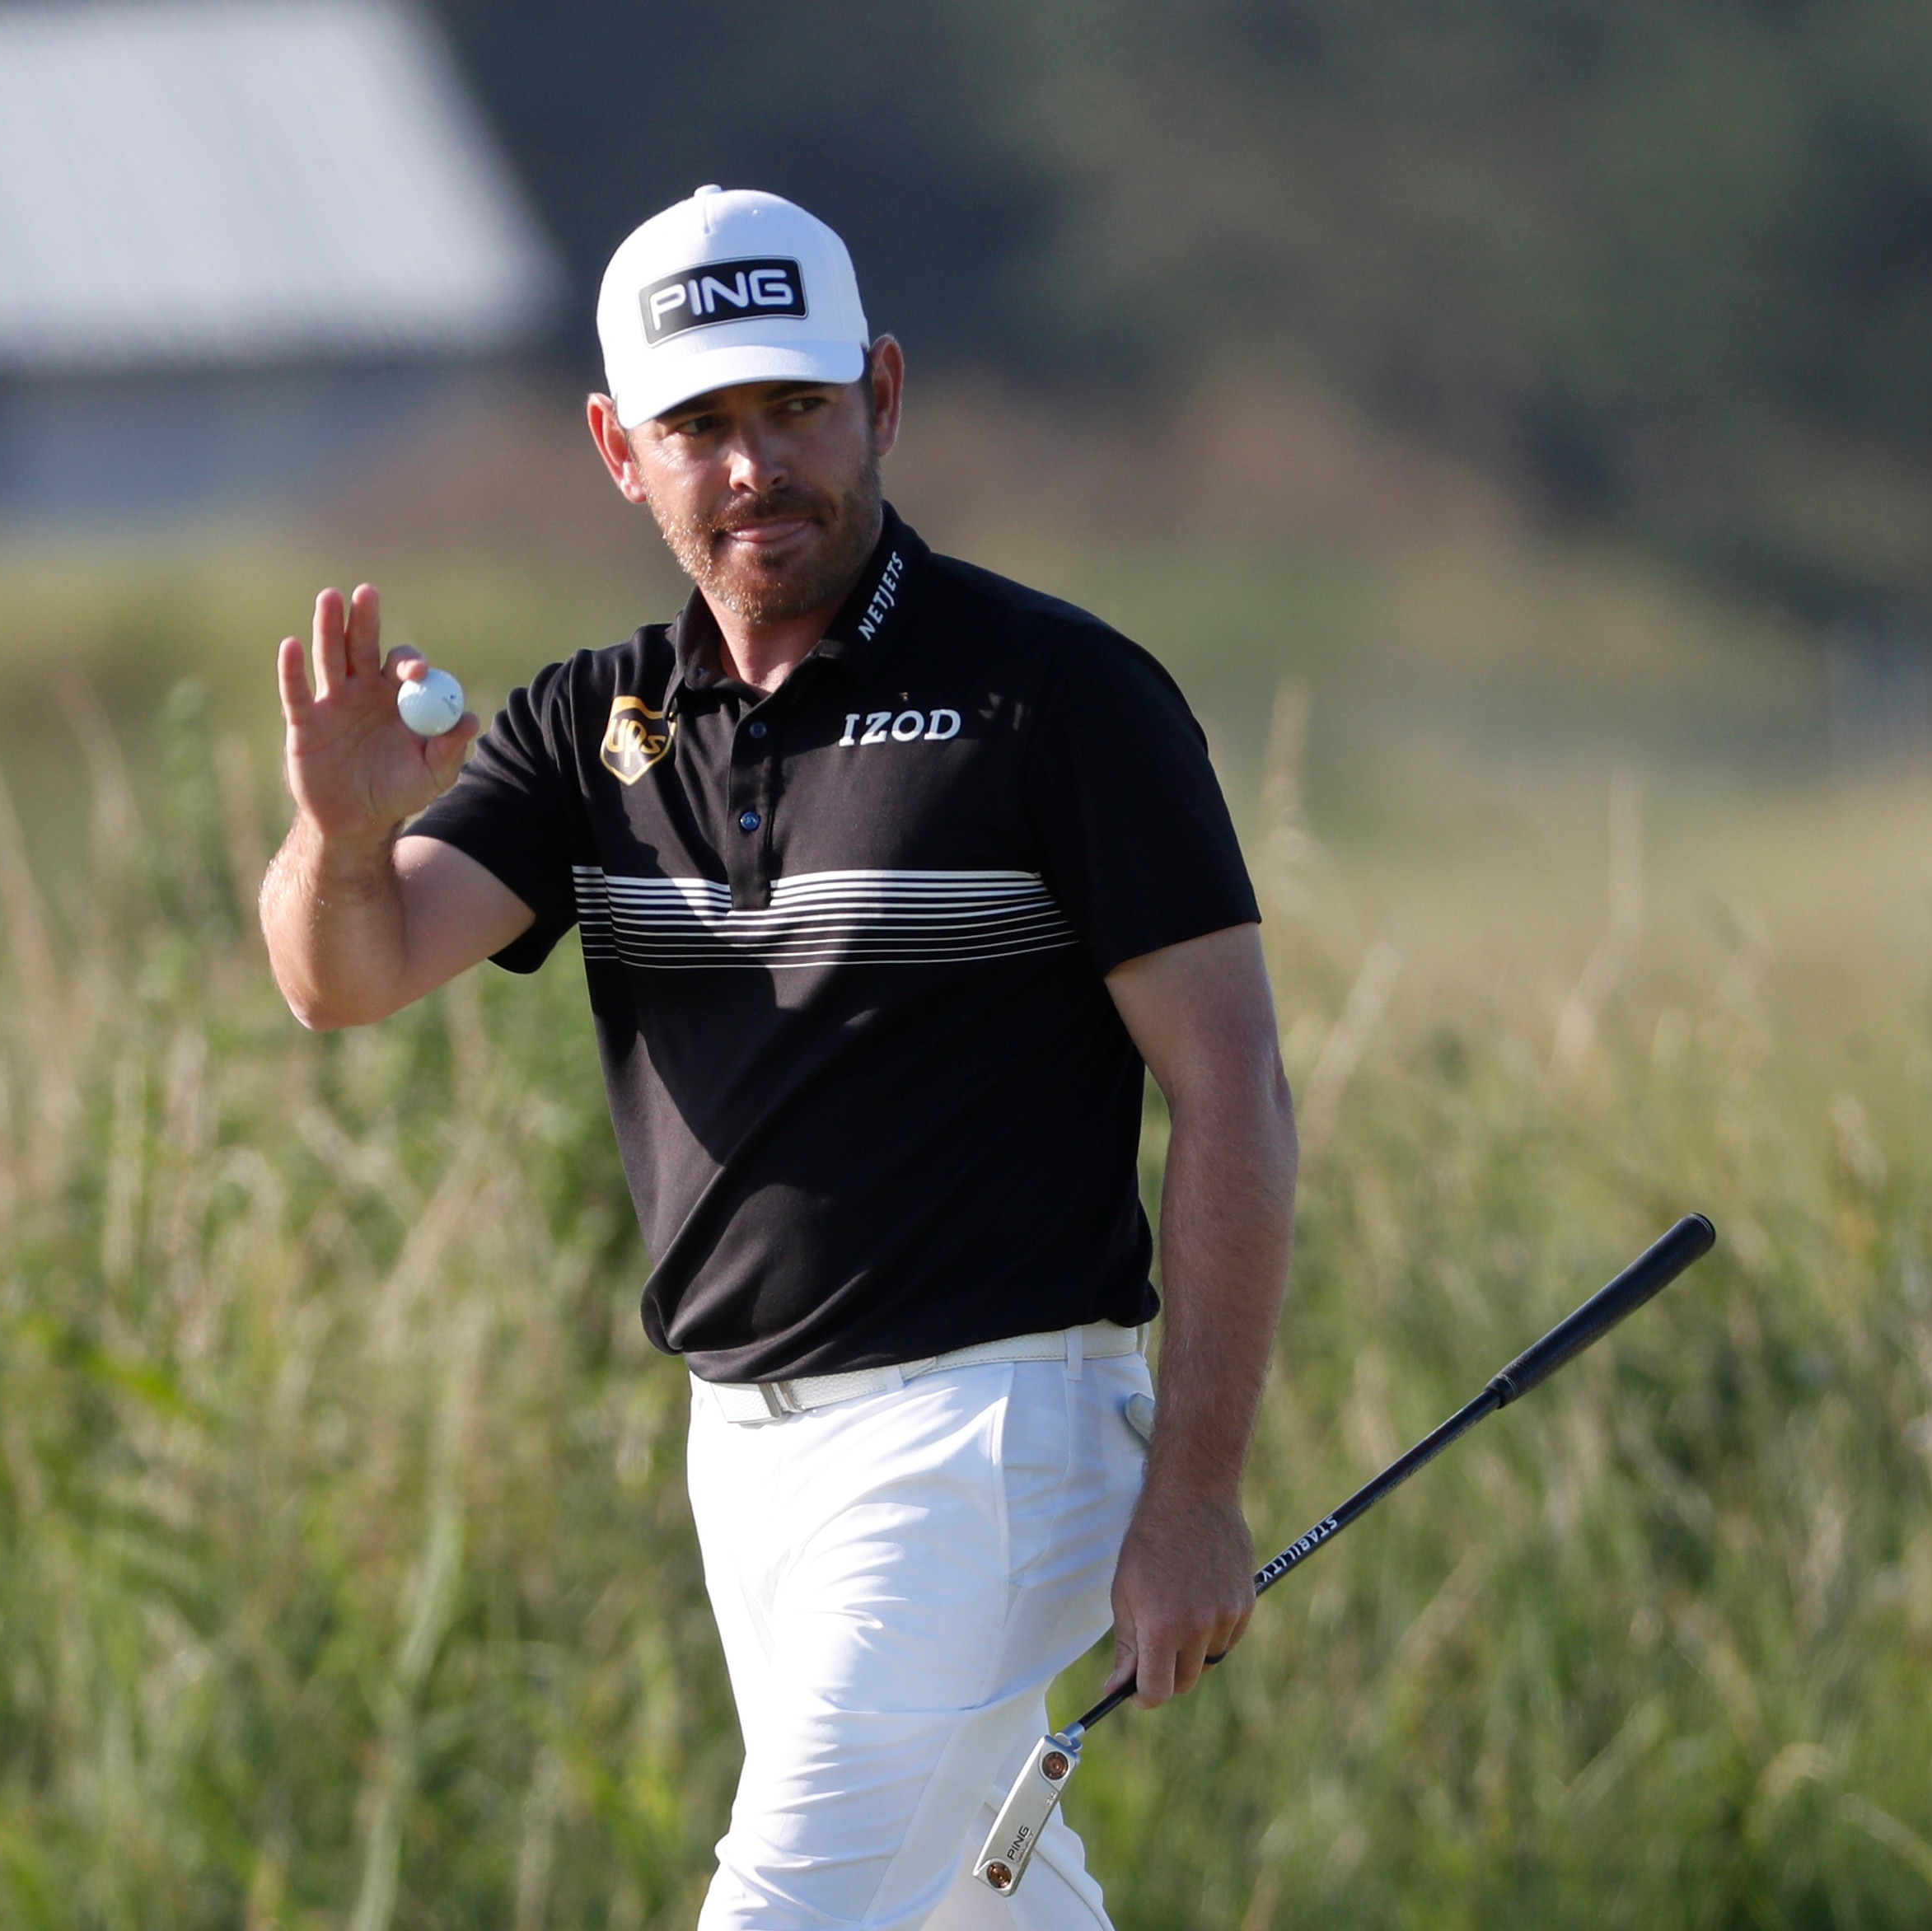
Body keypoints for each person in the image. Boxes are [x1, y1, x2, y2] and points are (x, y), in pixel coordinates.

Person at [259, 185, 1297, 1930]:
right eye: (703, 425)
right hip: (743, 1448)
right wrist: (339, 836)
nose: (757, 465)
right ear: (617, 447)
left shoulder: (1053, 696)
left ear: (879, 395)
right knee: (982, 1902)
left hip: (988, 1425)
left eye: (797, 409)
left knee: (786, 1909)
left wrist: (1193, 1489)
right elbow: (344, 978)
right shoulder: (588, 729)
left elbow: (1233, 1088)